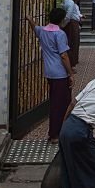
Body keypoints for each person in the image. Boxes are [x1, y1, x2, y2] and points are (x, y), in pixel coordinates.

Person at [25, 9, 74, 144]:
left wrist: (29, 18)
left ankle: (57, 131)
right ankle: (55, 134)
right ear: (62, 20)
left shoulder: (43, 31)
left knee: (56, 102)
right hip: (60, 73)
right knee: (61, 104)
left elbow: (35, 27)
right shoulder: (59, 34)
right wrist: (70, 73)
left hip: (49, 72)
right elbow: (64, 55)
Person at [62, 0, 83, 67]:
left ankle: (72, 61)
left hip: (71, 23)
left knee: (71, 42)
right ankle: (72, 62)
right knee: (73, 42)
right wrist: (64, 24)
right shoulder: (70, 3)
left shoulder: (66, 1)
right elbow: (68, 15)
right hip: (72, 23)